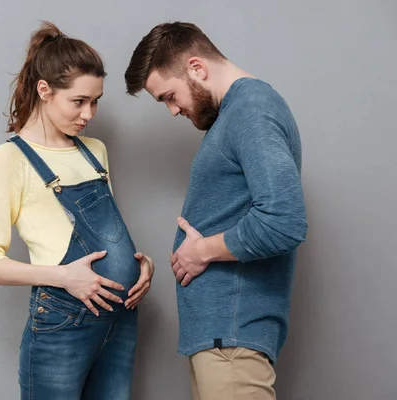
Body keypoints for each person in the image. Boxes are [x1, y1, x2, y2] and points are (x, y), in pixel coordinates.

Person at [0, 21, 154, 400]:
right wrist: (64, 277)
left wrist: (140, 265)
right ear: (44, 90)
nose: (89, 113)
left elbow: (108, 235)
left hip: (120, 320)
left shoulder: (94, 150)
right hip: (62, 322)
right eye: (79, 101)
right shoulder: (10, 160)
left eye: (96, 101)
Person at [124, 22, 307, 400]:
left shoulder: (251, 111)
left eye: (169, 96)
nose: (173, 111)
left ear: (197, 68)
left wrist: (201, 250)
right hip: (222, 339)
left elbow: (284, 221)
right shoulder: (234, 114)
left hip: (233, 340)